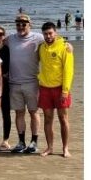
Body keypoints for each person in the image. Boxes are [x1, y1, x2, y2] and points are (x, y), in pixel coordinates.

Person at [8, 14, 45, 154]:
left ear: (30, 24)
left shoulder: (38, 37)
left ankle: (34, 142)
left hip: (32, 82)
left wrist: (67, 45)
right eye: (18, 23)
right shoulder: (11, 38)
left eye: (24, 23)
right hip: (14, 83)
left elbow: (54, 40)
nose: (21, 26)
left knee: (34, 112)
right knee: (19, 113)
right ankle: (21, 142)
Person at [37, 21, 74, 157]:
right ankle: (49, 147)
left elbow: (68, 70)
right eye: (45, 34)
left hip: (60, 89)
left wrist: (65, 90)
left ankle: (65, 148)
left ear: (56, 33)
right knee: (48, 119)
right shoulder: (41, 47)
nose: (48, 36)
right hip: (45, 88)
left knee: (63, 118)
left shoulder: (65, 47)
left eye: (50, 33)